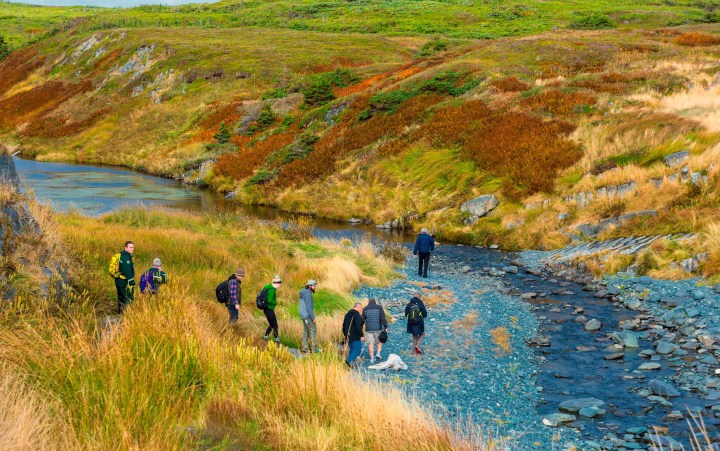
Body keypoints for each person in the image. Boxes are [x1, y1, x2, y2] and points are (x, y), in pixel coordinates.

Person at [362, 298, 388, 363]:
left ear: (368, 302)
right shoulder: (379, 307)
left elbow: (362, 319)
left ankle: (372, 358)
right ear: (375, 302)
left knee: (370, 343)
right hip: (378, 328)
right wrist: (385, 327)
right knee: (380, 340)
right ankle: (378, 353)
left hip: (369, 328)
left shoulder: (365, 308)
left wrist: (360, 329)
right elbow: (383, 318)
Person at [299, 279, 321, 353]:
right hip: (307, 316)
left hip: (303, 315)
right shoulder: (308, 294)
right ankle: (314, 349)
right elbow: (309, 308)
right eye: (314, 286)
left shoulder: (303, 292)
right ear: (310, 286)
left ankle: (304, 348)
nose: (315, 288)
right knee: (313, 330)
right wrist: (313, 318)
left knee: (306, 331)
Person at [342, 302, 365, 367]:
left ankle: (351, 364)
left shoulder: (347, 314)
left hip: (348, 335)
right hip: (355, 335)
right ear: (358, 307)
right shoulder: (357, 315)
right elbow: (358, 327)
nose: (361, 310)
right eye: (361, 308)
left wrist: (345, 334)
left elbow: (344, 325)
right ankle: (348, 361)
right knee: (357, 349)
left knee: (352, 349)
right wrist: (361, 335)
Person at [116, 241, 135, 314]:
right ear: (125, 248)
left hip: (118, 279)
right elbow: (127, 270)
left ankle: (120, 313)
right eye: (130, 247)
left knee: (120, 296)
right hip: (123, 280)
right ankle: (126, 314)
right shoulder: (125, 258)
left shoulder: (122, 255)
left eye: (133, 247)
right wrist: (131, 280)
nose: (132, 249)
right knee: (126, 297)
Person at [262, 275, 282, 343]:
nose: (280, 285)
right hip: (269, 309)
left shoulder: (269, 288)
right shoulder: (272, 290)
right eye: (279, 284)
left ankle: (265, 337)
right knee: (275, 325)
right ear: (276, 283)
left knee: (271, 324)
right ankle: (277, 339)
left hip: (267, 309)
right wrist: (275, 302)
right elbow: (269, 300)